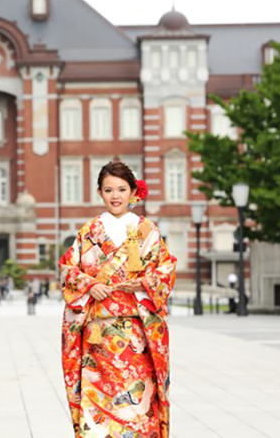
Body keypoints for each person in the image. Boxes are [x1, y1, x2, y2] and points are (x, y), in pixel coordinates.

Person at [61, 161, 175, 438]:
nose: (115, 196)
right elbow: (68, 268)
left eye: (122, 189)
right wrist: (89, 286)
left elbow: (166, 268)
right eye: (109, 189)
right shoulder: (89, 231)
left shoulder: (147, 229)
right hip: (97, 336)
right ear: (99, 192)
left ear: (133, 191)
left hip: (137, 336)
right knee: (96, 399)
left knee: (138, 403)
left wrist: (142, 284)